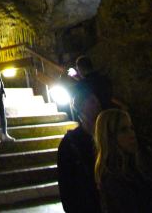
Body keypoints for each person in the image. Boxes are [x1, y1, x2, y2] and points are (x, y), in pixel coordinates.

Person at [93, 109, 152, 213]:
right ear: (109, 137)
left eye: (131, 128)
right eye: (123, 130)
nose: (132, 134)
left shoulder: (136, 168)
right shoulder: (114, 179)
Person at [58, 83, 102, 213]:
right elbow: (66, 184)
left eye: (97, 100)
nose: (98, 104)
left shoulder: (107, 134)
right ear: (80, 106)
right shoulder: (70, 143)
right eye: (92, 101)